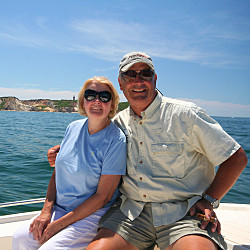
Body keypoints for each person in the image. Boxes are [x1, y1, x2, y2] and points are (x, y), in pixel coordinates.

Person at [47, 52, 248, 250]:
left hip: (183, 214)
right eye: (130, 75)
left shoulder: (186, 115)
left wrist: (209, 199)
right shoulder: (117, 123)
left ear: (155, 79)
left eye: (145, 74)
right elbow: (90, 147)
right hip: (131, 213)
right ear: (121, 83)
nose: (138, 81)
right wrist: (61, 152)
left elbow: (236, 157)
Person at [12, 76, 127, 250]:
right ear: (83, 101)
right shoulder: (72, 127)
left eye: (104, 96)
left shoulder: (116, 140)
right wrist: (46, 211)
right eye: (90, 95)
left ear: (112, 104)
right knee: (20, 238)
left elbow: (103, 197)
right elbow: (58, 172)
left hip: (92, 215)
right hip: (60, 208)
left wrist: (57, 225)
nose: (97, 101)